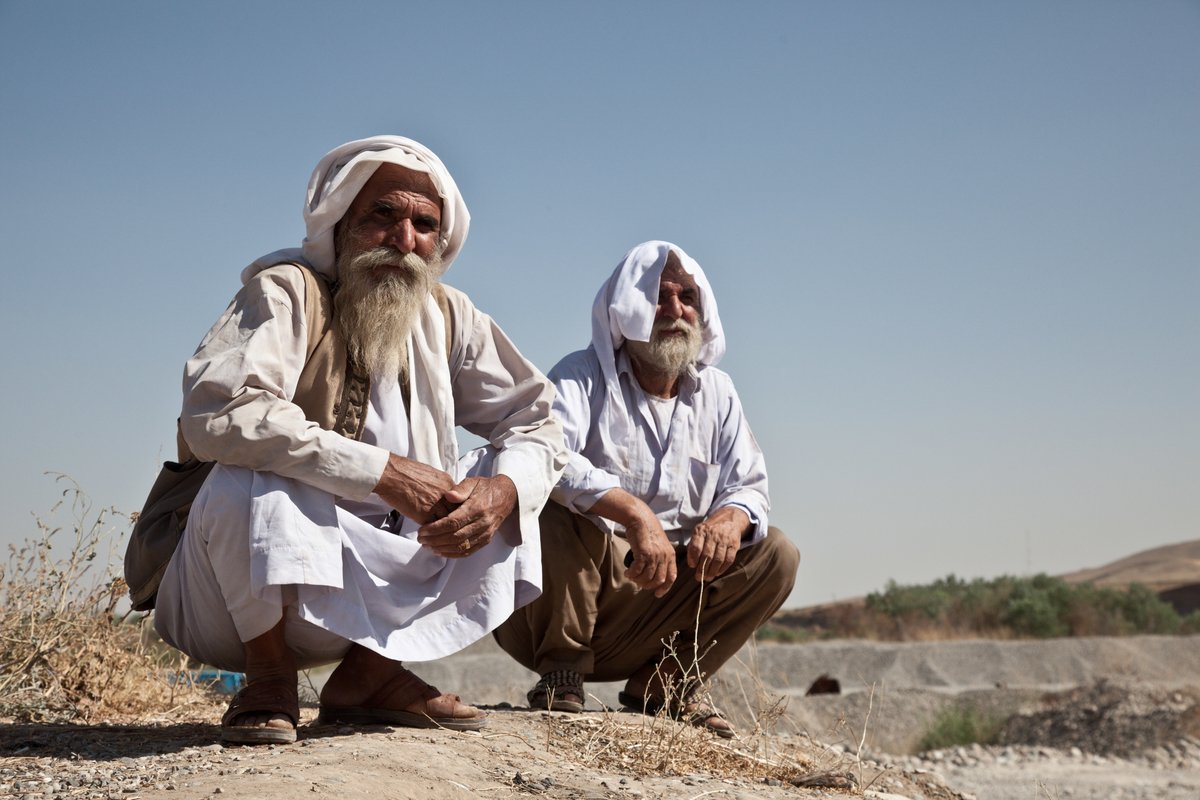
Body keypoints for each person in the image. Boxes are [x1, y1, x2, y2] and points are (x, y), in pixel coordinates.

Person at [152, 136, 566, 745]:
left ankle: (369, 677)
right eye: (383, 215)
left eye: (424, 224)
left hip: (376, 600)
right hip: (240, 596)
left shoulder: (451, 316)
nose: (405, 240)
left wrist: (503, 490)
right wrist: (386, 474)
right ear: (341, 220)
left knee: (511, 482)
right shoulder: (287, 291)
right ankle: (269, 679)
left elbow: (540, 420)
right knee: (251, 467)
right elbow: (217, 412)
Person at [494, 241, 799, 738]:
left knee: (778, 553)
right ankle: (561, 671)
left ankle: (665, 684)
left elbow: (749, 485)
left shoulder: (717, 393)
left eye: (687, 298)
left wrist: (730, 518)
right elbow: (547, 458)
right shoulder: (581, 374)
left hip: (665, 595)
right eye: (659, 297)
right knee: (552, 504)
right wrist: (636, 515)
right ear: (626, 307)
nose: (675, 311)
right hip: (566, 599)